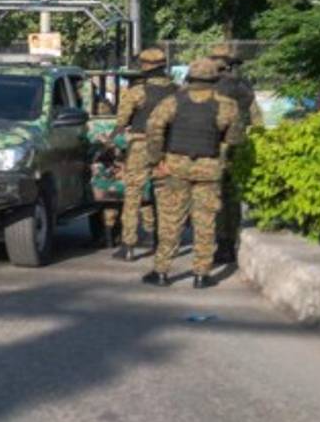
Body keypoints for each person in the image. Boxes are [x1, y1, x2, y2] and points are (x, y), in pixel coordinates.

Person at [143, 58, 244, 289]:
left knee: (170, 221)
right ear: (215, 79)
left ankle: (161, 271)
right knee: (205, 222)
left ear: (189, 77)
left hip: (175, 168)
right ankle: (202, 274)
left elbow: (153, 127)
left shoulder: (173, 101)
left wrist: (156, 159)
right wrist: (223, 155)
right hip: (209, 169)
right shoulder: (227, 105)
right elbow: (235, 138)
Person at [110, 47, 175, 262]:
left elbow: (122, 121)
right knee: (164, 196)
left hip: (140, 145)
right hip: (168, 146)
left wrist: (112, 139)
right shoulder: (178, 91)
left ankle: (128, 245)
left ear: (144, 67)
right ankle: (162, 242)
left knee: (133, 194)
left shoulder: (137, 92)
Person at [210, 43, 263, 265]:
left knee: (216, 194)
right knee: (231, 195)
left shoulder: (209, 85)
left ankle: (221, 242)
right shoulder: (244, 86)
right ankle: (229, 242)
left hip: (214, 145)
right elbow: (256, 118)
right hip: (238, 144)